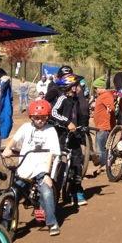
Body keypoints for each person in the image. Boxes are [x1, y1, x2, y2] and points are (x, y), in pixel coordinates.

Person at [2, 99, 62, 236]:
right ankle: (4, 227)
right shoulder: (25, 128)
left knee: (46, 192)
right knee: (12, 195)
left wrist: (47, 174)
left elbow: (52, 154)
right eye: (37, 118)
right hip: (25, 167)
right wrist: (8, 149)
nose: (40, 120)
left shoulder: (51, 131)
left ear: (47, 117)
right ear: (31, 117)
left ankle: (52, 222)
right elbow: (14, 140)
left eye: (43, 117)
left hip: (41, 168)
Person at [50, 74, 88, 206]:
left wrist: (83, 128)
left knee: (77, 162)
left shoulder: (77, 100)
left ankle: (76, 189)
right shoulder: (62, 99)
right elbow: (53, 112)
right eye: (76, 85)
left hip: (74, 136)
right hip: (61, 135)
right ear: (71, 87)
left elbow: (81, 116)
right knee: (58, 162)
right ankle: (51, 191)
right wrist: (67, 123)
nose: (79, 88)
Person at [90, 78, 115, 170]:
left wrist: (110, 108)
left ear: (100, 87)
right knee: (100, 148)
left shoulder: (106, 95)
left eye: (96, 88)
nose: (95, 90)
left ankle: (104, 166)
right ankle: (104, 164)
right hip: (100, 126)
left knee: (101, 149)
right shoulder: (103, 96)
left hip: (104, 126)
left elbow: (111, 106)